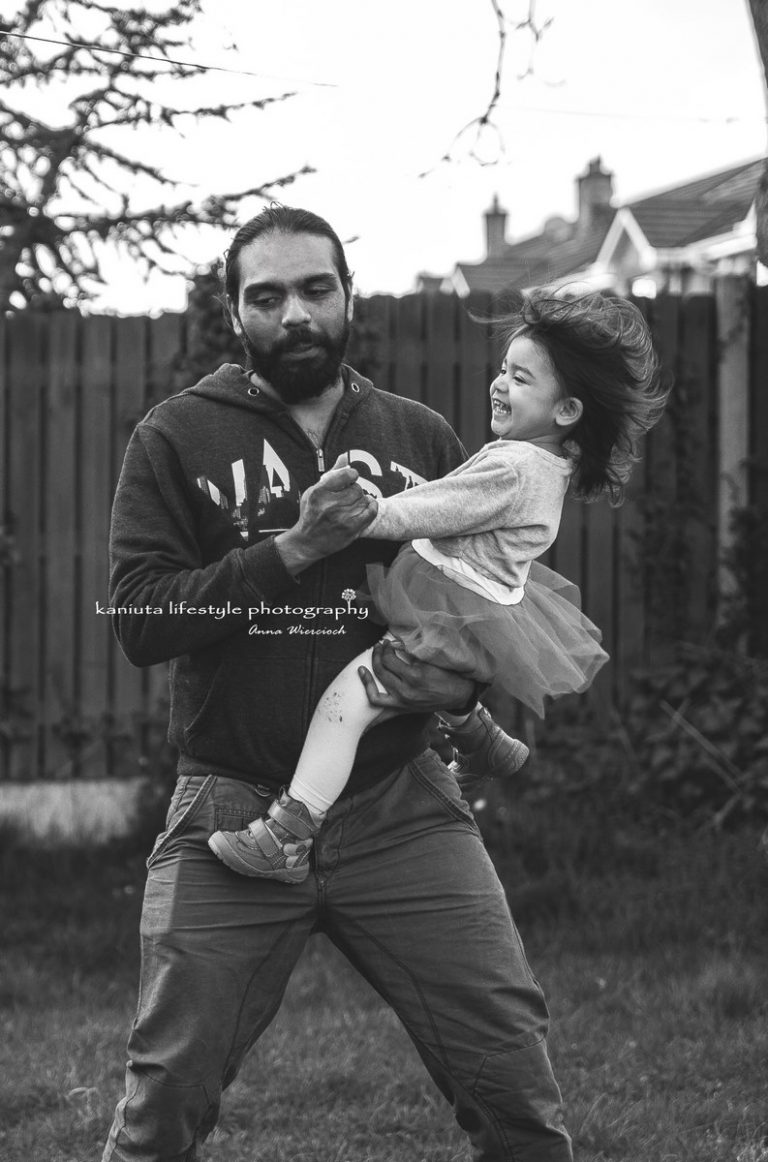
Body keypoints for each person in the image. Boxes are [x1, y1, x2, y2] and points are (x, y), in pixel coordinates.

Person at [104, 204, 578, 1162]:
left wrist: (458, 693)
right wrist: (293, 549)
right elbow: (143, 621)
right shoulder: (175, 435)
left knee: (515, 1087)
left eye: (316, 289)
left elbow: (475, 598)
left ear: (349, 295)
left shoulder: (419, 432)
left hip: (402, 806)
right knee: (164, 1106)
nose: (295, 314)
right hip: (231, 804)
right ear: (235, 313)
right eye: (267, 296)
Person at [208, 288, 664, 883]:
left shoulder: (515, 468)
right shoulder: (542, 462)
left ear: (567, 411)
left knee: (347, 704)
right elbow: (455, 501)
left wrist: (365, 514)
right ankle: (482, 740)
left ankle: (287, 835)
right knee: (410, 685)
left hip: (448, 610)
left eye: (520, 378)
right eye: (503, 369)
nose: (499, 384)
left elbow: (438, 508)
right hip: (470, 606)